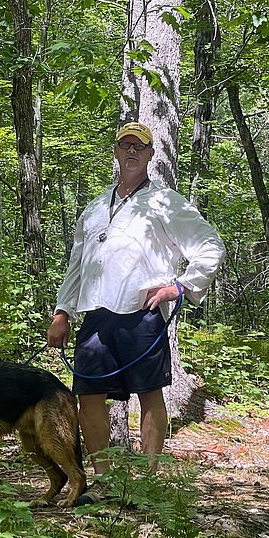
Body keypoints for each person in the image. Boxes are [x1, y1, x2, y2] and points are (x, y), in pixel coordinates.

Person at [47, 121, 225, 505]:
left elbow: (210, 244)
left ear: (149, 155)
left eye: (139, 147)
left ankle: (147, 482)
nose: (131, 152)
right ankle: (105, 482)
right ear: (115, 151)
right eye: (125, 145)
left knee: (149, 394)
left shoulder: (166, 202)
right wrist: (63, 311)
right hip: (95, 313)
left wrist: (179, 285)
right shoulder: (95, 207)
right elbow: (78, 263)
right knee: (89, 397)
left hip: (142, 312)